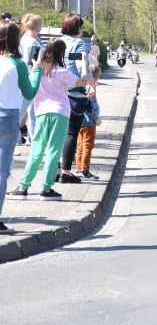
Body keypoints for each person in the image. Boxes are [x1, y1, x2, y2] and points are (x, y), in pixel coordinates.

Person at [7, 37, 94, 202]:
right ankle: (46, 189)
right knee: (54, 151)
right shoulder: (62, 72)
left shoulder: (37, 71)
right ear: (61, 53)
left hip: (42, 113)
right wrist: (83, 62)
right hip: (60, 113)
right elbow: (83, 83)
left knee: (36, 150)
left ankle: (23, 186)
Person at [0, 20, 43, 233]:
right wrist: (37, 71)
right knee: (1, 171)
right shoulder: (17, 64)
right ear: (16, 40)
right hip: (7, 116)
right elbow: (29, 93)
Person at [59, 14, 91, 184]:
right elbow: (83, 69)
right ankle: (66, 171)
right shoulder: (79, 44)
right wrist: (91, 84)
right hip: (74, 92)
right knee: (71, 133)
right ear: (77, 28)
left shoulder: (56, 42)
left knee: (56, 134)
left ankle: (55, 169)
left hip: (55, 91)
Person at [18, 13, 45, 146]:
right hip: (30, 78)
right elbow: (32, 62)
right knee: (24, 109)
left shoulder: (26, 39)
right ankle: (18, 138)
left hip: (27, 77)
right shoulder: (31, 42)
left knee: (31, 110)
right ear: (37, 26)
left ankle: (32, 137)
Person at [75, 60, 102, 180]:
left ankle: (78, 169)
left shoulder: (81, 86)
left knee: (80, 145)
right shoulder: (91, 89)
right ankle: (85, 171)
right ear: (95, 78)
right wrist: (96, 119)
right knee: (88, 146)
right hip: (89, 122)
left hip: (80, 120)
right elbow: (91, 107)